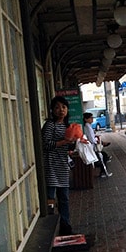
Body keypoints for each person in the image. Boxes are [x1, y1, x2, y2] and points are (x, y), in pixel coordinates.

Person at [42, 96, 75, 234]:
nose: (61, 110)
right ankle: (49, 228)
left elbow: (67, 145)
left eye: (63, 107)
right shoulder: (50, 125)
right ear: (52, 110)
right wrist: (65, 141)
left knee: (64, 199)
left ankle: (65, 226)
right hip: (51, 166)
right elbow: (45, 144)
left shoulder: (68, 126)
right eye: (57, 107)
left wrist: (73, 144)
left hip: (62, 166)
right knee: (50, 198)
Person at [83, 112, 112, 176]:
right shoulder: (88, 127)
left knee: (103, 156)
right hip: (91, 147)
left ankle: (103, 171)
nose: (92, 119)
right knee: (103, 156)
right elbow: (92, 139)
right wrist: (97, 140)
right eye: (90, 118)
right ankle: (103, 172)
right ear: (86, 119)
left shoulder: (87, 126)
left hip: (91, 147)